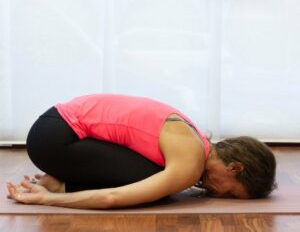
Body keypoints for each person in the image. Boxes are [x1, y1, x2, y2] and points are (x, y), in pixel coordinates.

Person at [6, 94, 277, 209]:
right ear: (236, 168)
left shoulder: (194, 138)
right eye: (230, 191)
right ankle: (57, 186)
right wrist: (47, 201)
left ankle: (59, 181)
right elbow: (113, 198)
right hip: (55, 138)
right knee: (155, 188)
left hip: (52, 129)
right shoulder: (191, 160)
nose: (219, 194)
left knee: (158, 183)